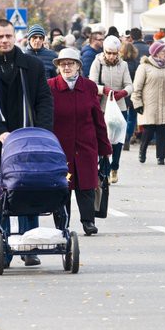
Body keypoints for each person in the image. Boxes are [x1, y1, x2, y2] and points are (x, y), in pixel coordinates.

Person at [0, 18, 54, 266]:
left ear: (15, 37)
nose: (4, 40)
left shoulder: (32, 65)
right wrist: (0, 132)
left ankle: (29, 246)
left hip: (29, 138)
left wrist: (43, 133)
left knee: (30, 189)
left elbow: (44, 100)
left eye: (8, 36)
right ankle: (1, 249)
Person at [48, 48, 112, 235]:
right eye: (63, 64)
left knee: (87, 184)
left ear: (78, 66)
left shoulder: (89, 86)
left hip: (86, 144)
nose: (66, 67)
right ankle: (62, 223)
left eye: (71, 63)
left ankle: (88, 221)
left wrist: (104, 147)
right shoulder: (50, 86)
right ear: (58, 67)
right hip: (61, 147)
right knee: (63, 186)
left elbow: (98, 118)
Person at [89, 35, 133, 183]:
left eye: (115, 53)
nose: (112, 56)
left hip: (119, 107)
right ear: (104, 51)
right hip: (103, 106)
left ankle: (115, 167)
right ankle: (105, 171)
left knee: (118, 140)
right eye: (109, 52)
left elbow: (129, 85)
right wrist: (104, 90)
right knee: (103, 139)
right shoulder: (97, 63)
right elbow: (92, 84)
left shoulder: (124, 65)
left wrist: (124, 92)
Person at [131, 40, 165, 165]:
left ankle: (161, 157)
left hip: (164, 104)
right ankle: (142, 151)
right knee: (148, 132)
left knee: (162, 132)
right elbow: (136, 87)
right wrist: (137, 102)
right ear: (155, 53)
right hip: (149, 105)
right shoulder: (144, 67)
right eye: (163, 52)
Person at [120, 41, 139, 150]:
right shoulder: (136, 64)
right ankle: (128, 137)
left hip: (123, 92)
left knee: (123, 116)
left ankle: (122, 137)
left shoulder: (121, 64)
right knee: (132, 117)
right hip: (134, 91)